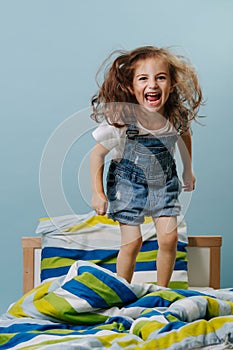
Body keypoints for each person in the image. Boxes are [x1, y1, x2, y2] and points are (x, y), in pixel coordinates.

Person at [90, 45, 203, 286]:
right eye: (143, 79)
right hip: (127, 183)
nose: (152, 85)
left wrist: (188, 169)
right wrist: (98, 193)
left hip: (164, 182)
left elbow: (185, 137)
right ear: (131, 87)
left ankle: (162, 290)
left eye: (160, 77)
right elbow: (96, 156)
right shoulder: (122, 120)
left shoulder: (175, 116)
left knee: (169, 238)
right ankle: (123, 289)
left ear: (171, 84)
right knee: (132, 243)